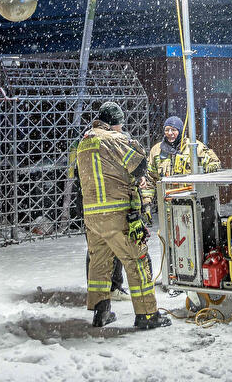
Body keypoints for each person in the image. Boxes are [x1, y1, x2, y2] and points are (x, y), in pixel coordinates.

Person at [76, 101, 170, 329]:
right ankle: (147, 315)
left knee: (99, 263)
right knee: (136, 260)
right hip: (116, 213)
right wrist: (133, 145)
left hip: (92, 215)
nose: (121, 128)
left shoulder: (84, 143)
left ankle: (101, 312)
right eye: (119, 125)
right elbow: (138, 167)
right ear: (113, 123)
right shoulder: (115, 139)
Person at [67, 139, 129, 301]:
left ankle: (100, 292)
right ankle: (110, 289)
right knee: (110, 250)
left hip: (93, 210)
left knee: (97, 252)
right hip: (104, 210)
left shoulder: (84, 152)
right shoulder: (103, 154)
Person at [146, 115, 221, 190]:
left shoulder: (195, 148)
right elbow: (150, 179)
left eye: (173, 130)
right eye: (167, 130)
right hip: (167, 199)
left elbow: (215, 163)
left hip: (191, 197)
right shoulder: (156, 151)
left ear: (181, 131)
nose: (170, 133)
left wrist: (211, 167)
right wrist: (147, 200)